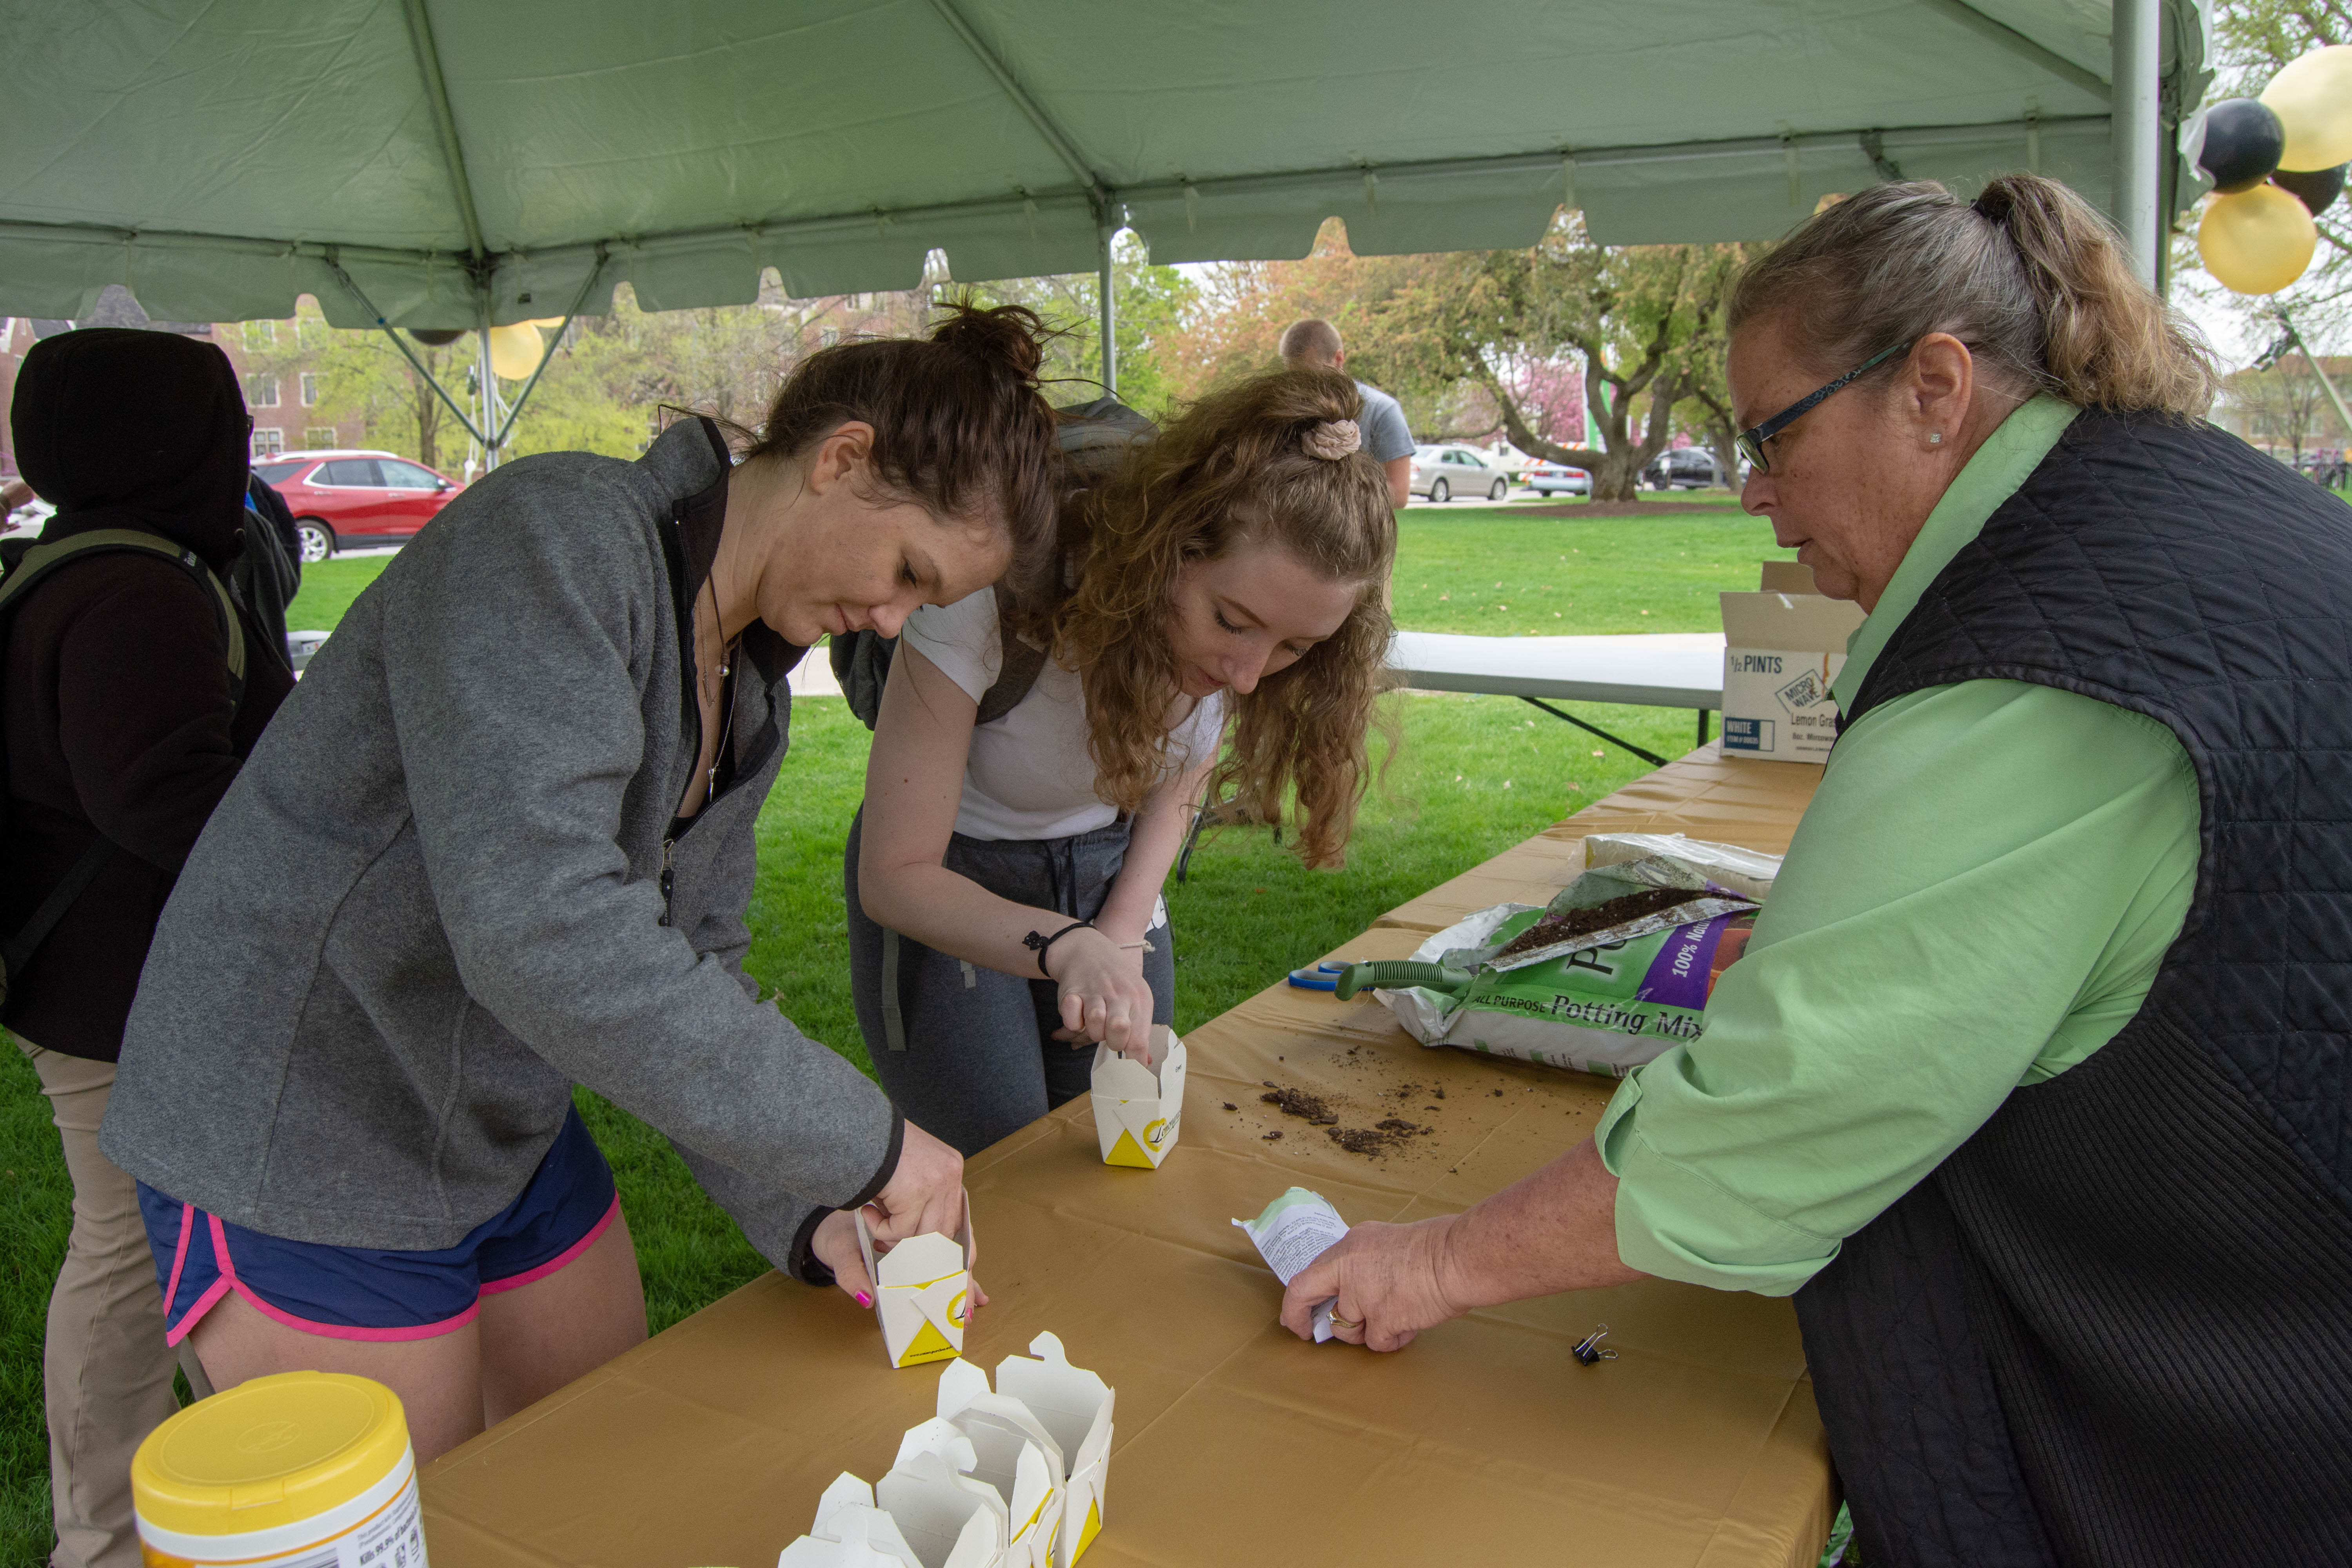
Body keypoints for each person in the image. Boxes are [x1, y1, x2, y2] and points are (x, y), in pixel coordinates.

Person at [1282, 173, 2352, 1565]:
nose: (1756, 491)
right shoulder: (2147, 518)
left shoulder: (2032, 661)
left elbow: (1772, 1125)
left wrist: (1435, 1260)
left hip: (2249, 1415)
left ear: (1934, 386)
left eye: (1774, 433)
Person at [98, 305, 1063, 1463]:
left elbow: (687, 973)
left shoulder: (746, 693)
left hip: (496, 1126)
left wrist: (816, 1205)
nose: (892, 619)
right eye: (907, 570)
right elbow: (538, 931)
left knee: (595, 1478)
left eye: (929, 602)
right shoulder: (555, 538)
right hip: (304, 1128)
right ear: (841, 458)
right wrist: (871, 1140)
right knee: (425, 1528)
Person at [848, 369, 1396, 1155]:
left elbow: (1177, 784)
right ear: (1165, 547)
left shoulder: (1251, 641)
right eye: (1232, 621)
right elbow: (894, 874)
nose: (1247, 674)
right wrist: (1067, 945)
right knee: (1000, 1160)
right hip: (952, 884)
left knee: (1124, 1142)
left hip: (1111, 874)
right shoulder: (988, 589)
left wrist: (1118, 929)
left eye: (1292, 648)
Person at [2, 329, 296, 1568]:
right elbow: (159, 791)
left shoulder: (80, 562)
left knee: (143, 1240)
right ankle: (109, 1533)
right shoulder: (136, 589)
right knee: (135, 1246)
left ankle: (139, 1513)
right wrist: (312, 861)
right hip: (122, 996)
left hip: (105, 984)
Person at [1278, 319, 1413, 507]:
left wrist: (1320, 493)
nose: (1304, 387)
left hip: (1358, 534)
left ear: (1339, 359)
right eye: (1294, 378)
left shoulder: (1383, 411)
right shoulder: (1283, 413)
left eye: (1312, 377)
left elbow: (1399, 494)